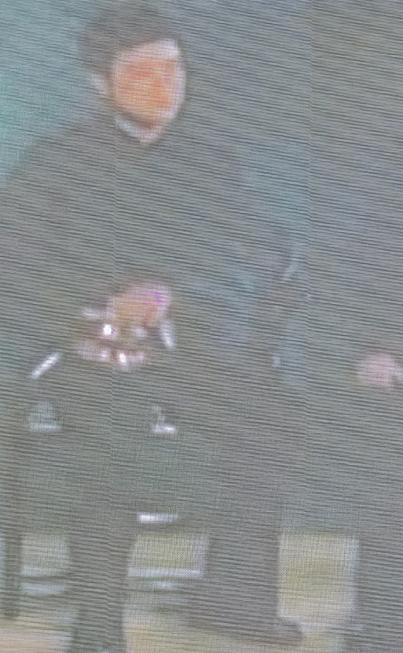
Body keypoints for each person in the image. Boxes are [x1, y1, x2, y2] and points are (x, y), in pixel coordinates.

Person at [0, 3, 294, 651]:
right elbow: (17, 262)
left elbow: (255, 259)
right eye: (142, 72)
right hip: (85, 348)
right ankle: (99, 619)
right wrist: (91, 316)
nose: (165, 85)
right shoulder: (55, 162)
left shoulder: (214, 164)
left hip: (188, 344)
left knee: (266, 417)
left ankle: (233, 598)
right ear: (99, 83)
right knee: (108, 430)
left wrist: (171, 298)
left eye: (174, 68)